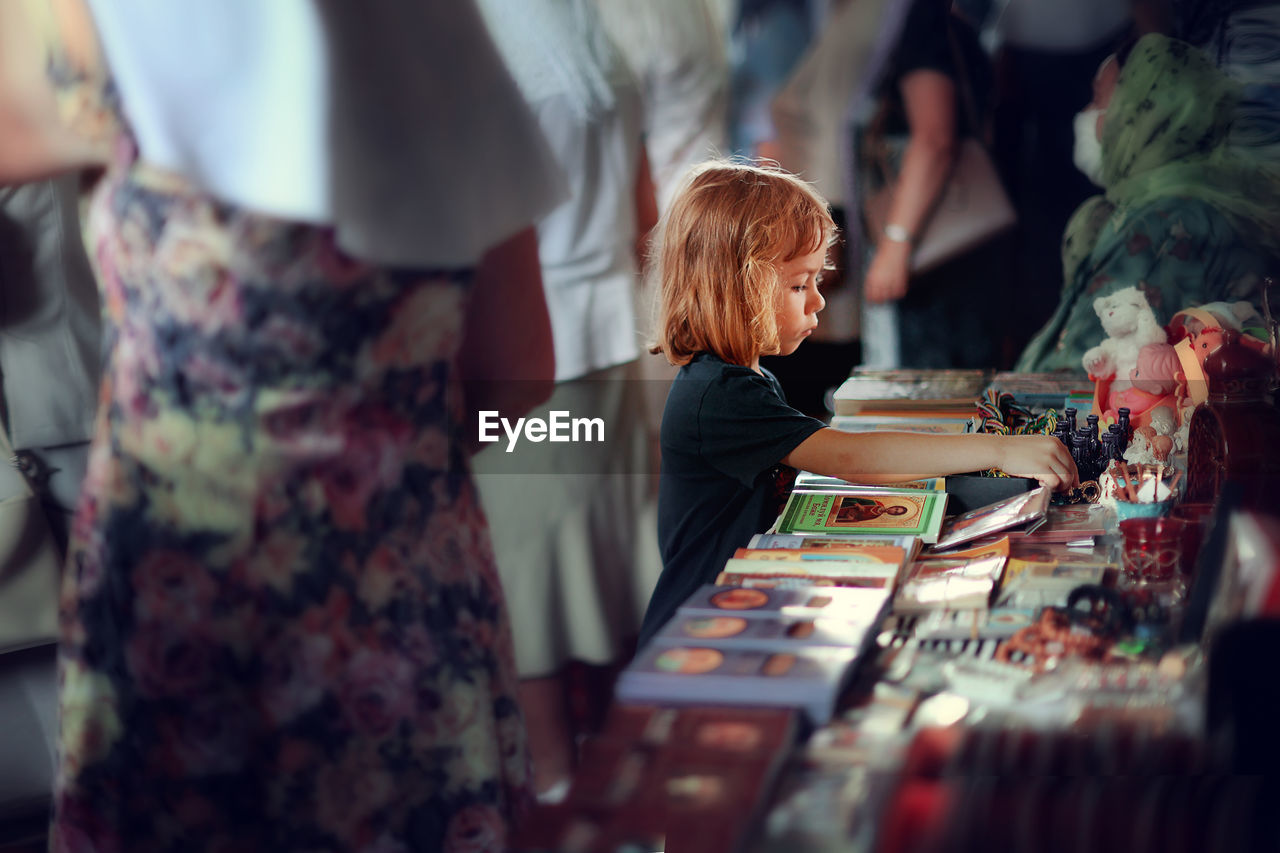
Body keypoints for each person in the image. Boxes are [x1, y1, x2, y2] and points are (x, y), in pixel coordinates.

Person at [1, 0, 566, 849]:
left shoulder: (111, 31)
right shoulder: (446, 38)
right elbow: (516, 372)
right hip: (410, 586)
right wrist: (379, 461)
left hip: (194, 593)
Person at [638, 160, 1077, 644]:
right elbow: (853, 456)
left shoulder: (737, 376)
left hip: (737, 599)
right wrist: (1001, 450)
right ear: (737, 289)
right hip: (704, 620)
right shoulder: (720, 395)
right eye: (799, 284)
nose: (818, 302)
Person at [472, 0, 660, 803]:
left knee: (533, 565)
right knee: (610, 552)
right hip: (610, 330)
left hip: (530, 345)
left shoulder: (486, 43)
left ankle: (555, 777)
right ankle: (621, 758)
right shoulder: (589, 32)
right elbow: (646, 208)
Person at [1016, 33, 1280, 373]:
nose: (1087, 115)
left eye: (1098, 98)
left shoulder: (1162, 222)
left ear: (1142, 113)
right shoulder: (1209, 201)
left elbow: (1083, 368)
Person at [854, 0, 1007, 370]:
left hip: (930, 249)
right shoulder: (953, 26)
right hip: (962, 246)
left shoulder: (919, 24)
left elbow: (935, 139)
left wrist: (896, 243)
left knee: (925, 387)